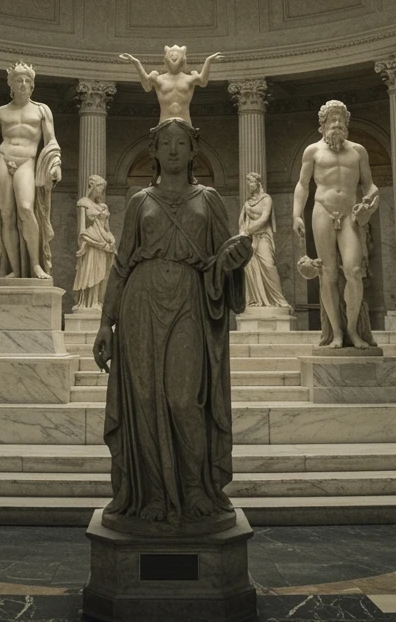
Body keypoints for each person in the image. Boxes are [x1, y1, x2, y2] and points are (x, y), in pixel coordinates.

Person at [92, 119, 252, 532]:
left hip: (189, 303)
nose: (175, 149)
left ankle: (196, 490)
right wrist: (104, 324)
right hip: (140, 305)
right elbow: (121, 264)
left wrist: (234, 261)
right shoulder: (138, 200)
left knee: (184, 400)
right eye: (166, 143)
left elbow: (222, 260)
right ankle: (153, 495)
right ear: (156, 150)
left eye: (182, 142)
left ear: (193, 150)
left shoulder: (210, 199)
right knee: (144, 404)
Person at [292, 100, 379, 348]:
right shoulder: (313, 151)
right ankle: (337, 333)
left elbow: (368, 184)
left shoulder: (358, 151)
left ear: (347, 123)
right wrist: (297, 214)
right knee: (327, 274)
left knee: (353, 271)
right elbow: (302, 184)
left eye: (341, 119)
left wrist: (373, 198)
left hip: (350, 214)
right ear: (323, 124)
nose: (337, 123)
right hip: (323, 211)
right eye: (333, 119)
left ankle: (353, 329)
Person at [0, 62, 61, 280]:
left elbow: (51, 141)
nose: (23, 84)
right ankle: (14, 268)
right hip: (2, 159)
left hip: (27, 161)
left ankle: (35, 265)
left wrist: (56, 163)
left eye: (27, 81)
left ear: (32, 86)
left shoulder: (41, 110)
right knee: (6, 216)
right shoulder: (1, 112)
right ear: (10, 85)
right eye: (19, 80)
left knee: (25, 208)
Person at [119, 46, 224, 124]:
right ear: (166, 59)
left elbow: (203, 82)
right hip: (163, 122)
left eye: (176, 55)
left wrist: (208, 61)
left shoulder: (189, 78)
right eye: (171, 55)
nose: (174, 58)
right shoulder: (159, 78)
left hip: (185, 122)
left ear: (183, 59)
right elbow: (146, 86)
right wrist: (136, 63)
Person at [239, 172, 289, 308]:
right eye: (248, 182)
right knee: (250, 269)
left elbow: (264, 218)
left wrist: (249, 230)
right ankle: (255, 300)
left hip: (263, 237)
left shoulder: (266, 199)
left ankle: (278, 299)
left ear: (258, 184)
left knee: (269, 265)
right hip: (250, 240)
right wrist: (244, 235)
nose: (249, 185)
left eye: (251, 182)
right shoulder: (247, 204)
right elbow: (242, 223)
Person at [72, 174, 115, 310]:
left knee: (102, 274)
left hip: (103, 246)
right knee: (90, 273)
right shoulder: (83, 203)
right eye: (100, 188)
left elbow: (107, 229)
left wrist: (111, 239)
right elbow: (82, 232)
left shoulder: (102, 206)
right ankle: (87, 303)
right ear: (92, 186)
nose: (101, 192)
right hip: (91, 245)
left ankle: (97, 301)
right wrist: (101, 244)